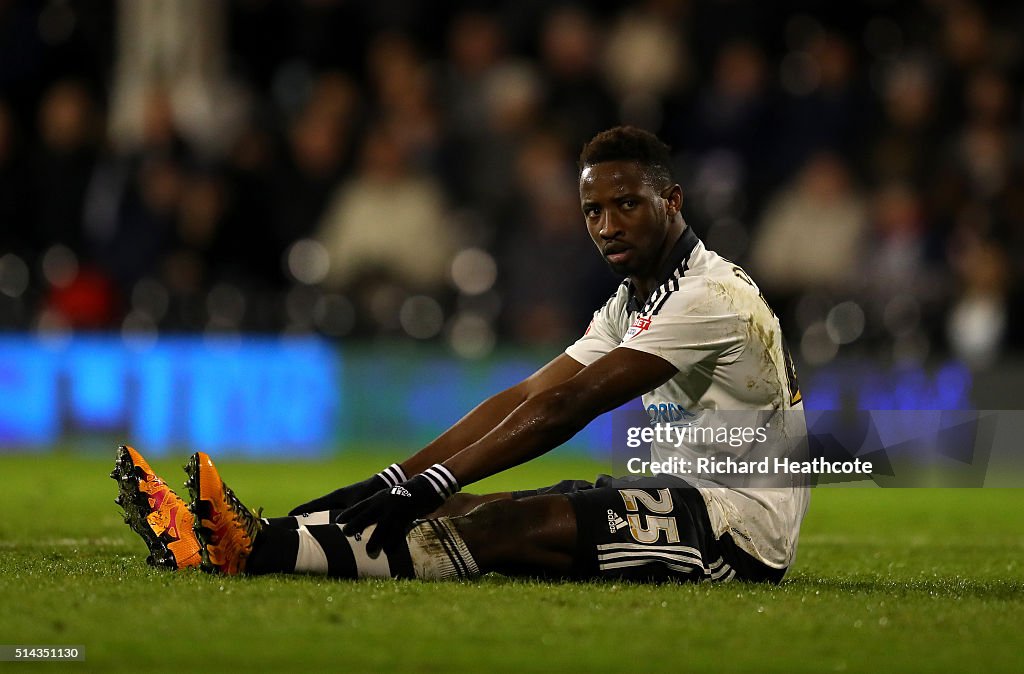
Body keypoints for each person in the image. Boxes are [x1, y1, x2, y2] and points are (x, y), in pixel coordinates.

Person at [113, 126, 808, 583]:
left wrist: (430, 481)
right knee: (455, 508)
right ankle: (249, 536)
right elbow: (524, 396)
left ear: (673, 200)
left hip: (734, 530)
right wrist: (397, 479)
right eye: (594, 211)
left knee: (502, 525)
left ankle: (258, 549)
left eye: (627, 204)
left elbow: (567, 407)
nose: (607, 225)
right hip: (681, 500)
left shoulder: (710, 297)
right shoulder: (638, 298)